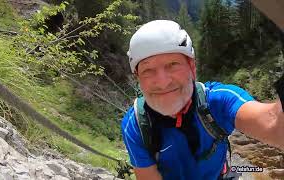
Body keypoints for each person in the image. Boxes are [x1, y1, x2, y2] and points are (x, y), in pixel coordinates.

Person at [121, 20, 284, 180]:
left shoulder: (217, 101)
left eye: (172, 64)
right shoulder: (136, 123)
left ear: (191, 67)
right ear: (138, 78)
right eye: (148, 70)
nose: (163, 82)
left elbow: (275, 126)